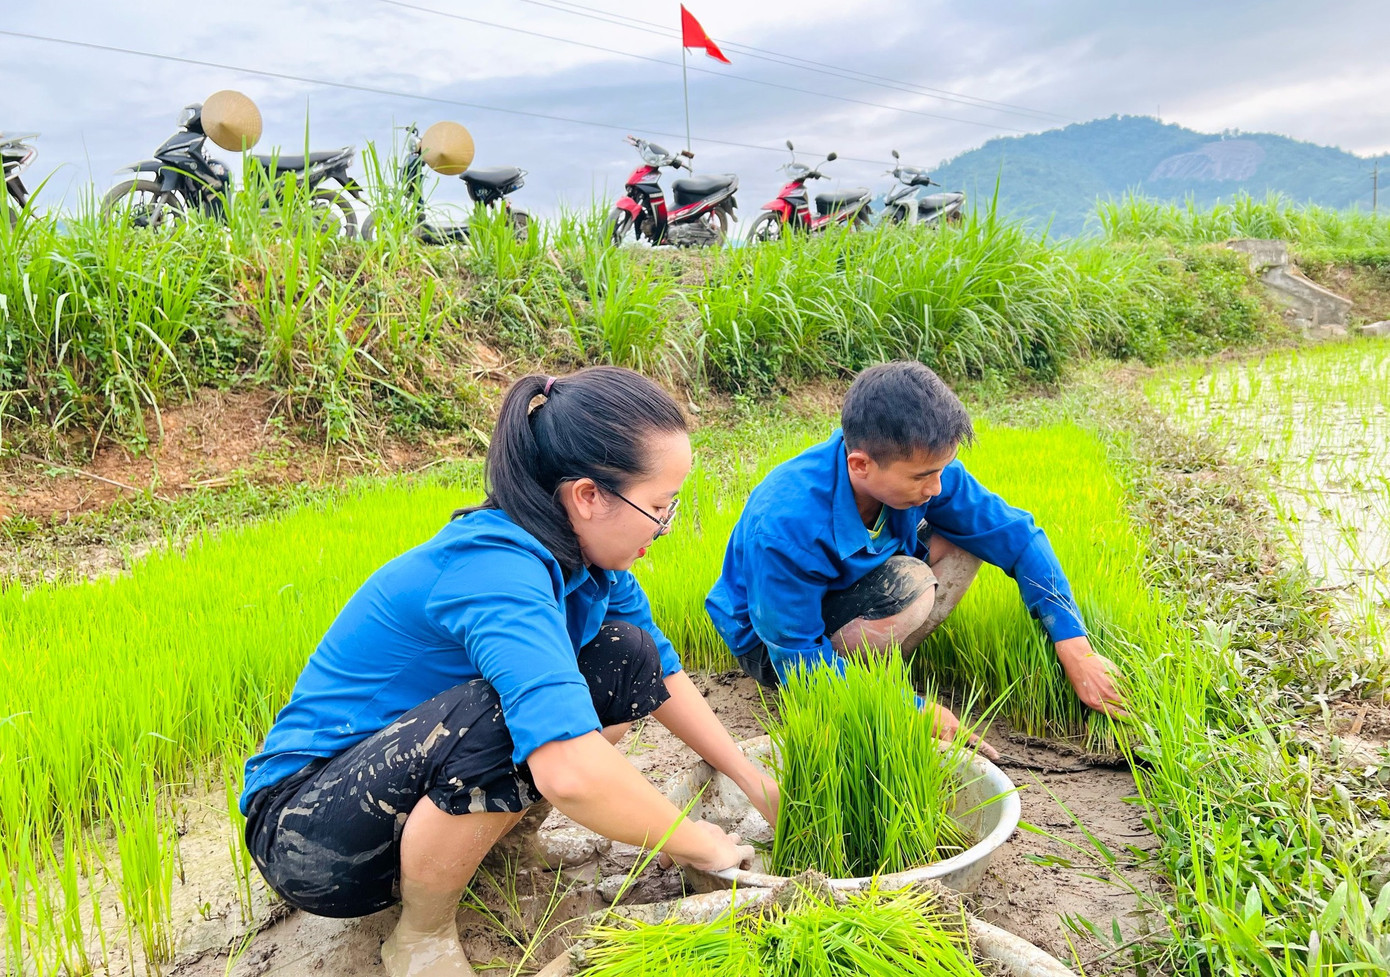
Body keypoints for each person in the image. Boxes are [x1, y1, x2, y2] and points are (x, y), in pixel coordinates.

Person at [240, 367, 776, 977]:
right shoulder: (497, 570)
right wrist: (693, 841)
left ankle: (498, 846)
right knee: (510, 716)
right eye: (658, 506)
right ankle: (421, 933)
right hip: (309, 832)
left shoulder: (590, 567)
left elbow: (664, 678)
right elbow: (568, 769)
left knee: (624, 656)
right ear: (587, 496)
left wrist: (752, 780)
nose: (664, 525)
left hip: (400, 791)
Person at [706, 360, 1126, 754]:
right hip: (770, 647)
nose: (937, 487)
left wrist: (1076, 650)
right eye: (924, 477)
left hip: (845, 591)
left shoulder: (920, 466)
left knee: (968, 540)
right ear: (861, 464)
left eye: (942, 470)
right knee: (910, 584)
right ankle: (856, 693)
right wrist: (909, 710)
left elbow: (1017, 537)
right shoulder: (785, 525)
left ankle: (873, 673)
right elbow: (795, 654)